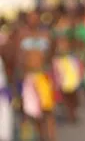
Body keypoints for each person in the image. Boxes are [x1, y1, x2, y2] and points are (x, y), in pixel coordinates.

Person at [14, 9, 56, 141]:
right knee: (31, 112)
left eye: (35, 17)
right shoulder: (21, 35)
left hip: (43, 76)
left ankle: (50, 137)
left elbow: (51, 55)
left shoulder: (46, 35)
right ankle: (40, 136)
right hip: (27, 77)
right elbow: (18, 57)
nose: (33, 20)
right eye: (30, 18)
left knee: (47, 110)